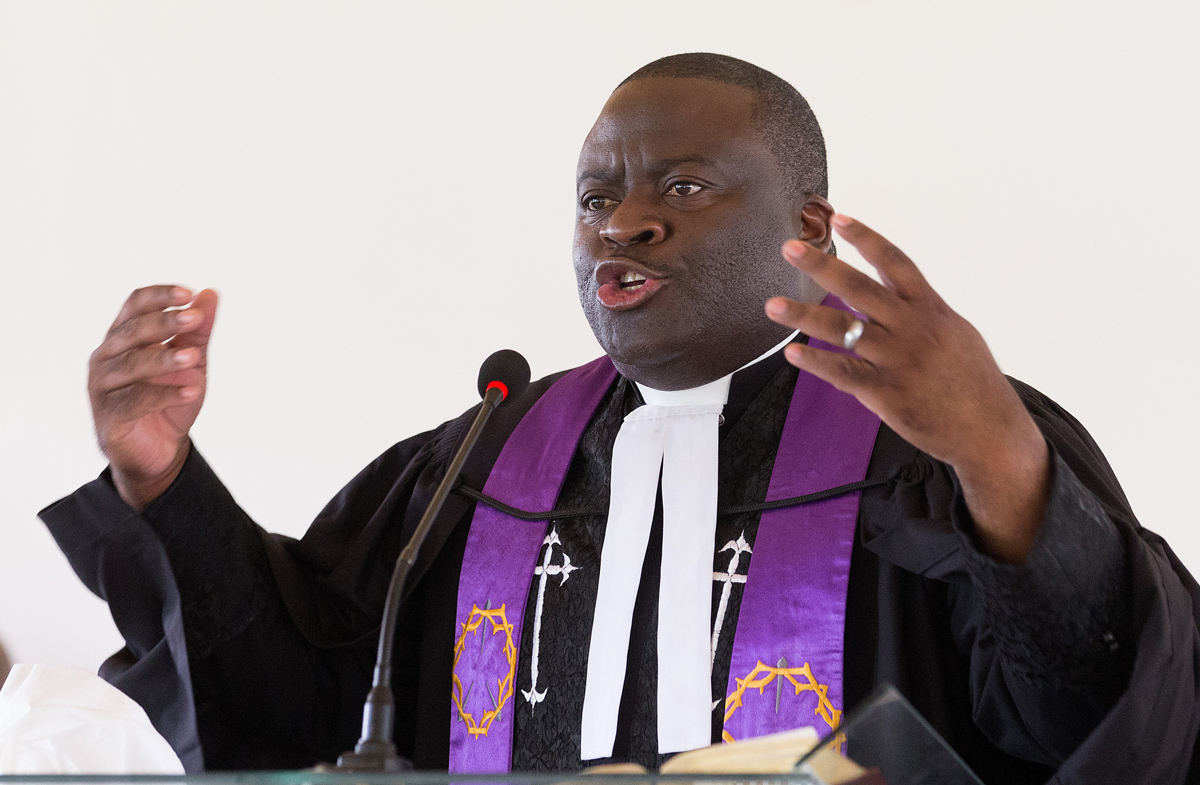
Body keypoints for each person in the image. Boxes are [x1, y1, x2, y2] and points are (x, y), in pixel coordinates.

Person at [40, 54, 1200, 783]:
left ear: (808, 219)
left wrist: (1001, 457)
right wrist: (161, 479)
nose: (623, 225)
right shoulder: (491, 452)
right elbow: (297, 705)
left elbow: (1093, 724)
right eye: (598, 196)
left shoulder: (929, 432)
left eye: (681, 188)